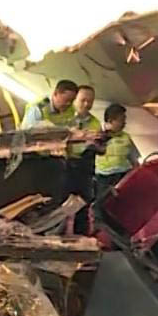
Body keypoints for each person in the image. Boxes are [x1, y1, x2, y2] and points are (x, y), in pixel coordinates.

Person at [65, 85, 103, 234]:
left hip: (85, 167)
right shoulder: (65, 119)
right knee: (63, 205)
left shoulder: (95, 123)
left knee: (83, 204)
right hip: (66, 164)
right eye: (83, 100)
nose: (87, 104)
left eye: (90, 101)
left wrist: (97, 145)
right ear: (75, 100)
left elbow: (101, 148)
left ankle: (81, 237)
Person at [95, 102, 140, 191]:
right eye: (121, 120)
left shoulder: (126, 137)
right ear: (111, 121)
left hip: (123, 175)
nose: (124, 123)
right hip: (105, 177)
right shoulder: (99, 136)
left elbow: (134, 158)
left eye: (124, 119)